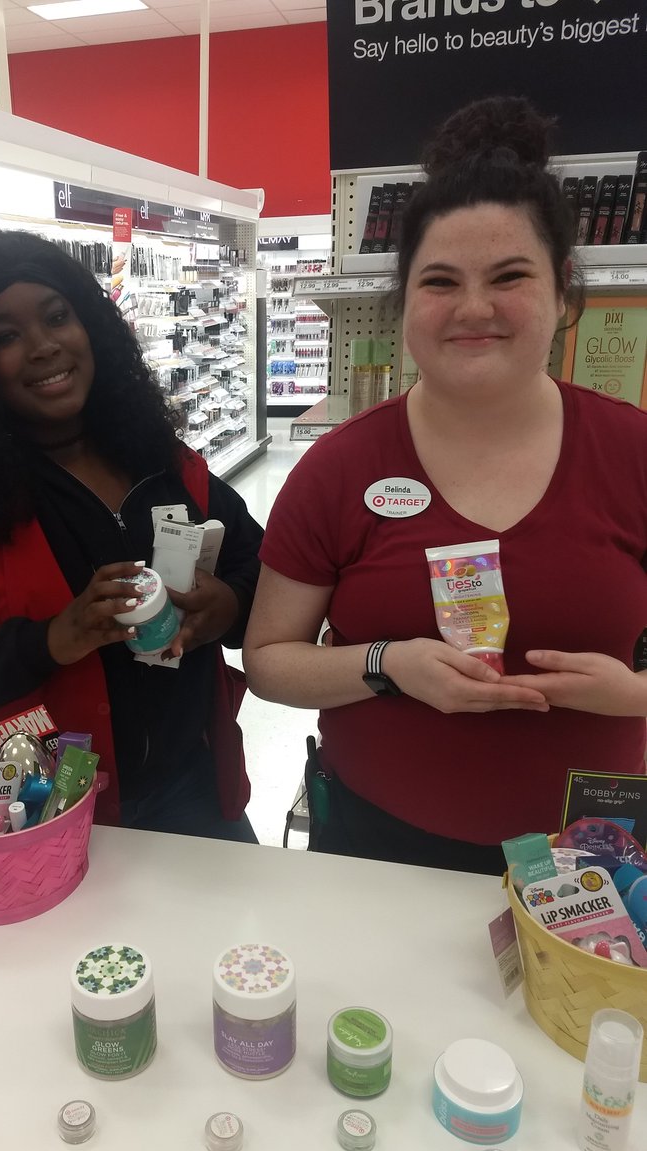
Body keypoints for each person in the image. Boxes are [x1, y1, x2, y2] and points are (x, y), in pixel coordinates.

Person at [244, 97, 647, 874]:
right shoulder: (339, 468)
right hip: (378, 846)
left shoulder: (632, 452)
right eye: (439, 281)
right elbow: (268, 660)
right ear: (405, 300)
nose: (473, 308)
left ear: (562, 289)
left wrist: (629, 695)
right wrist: (385, 665)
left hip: (592, 861)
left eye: (509, 276)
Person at [0, 229, 262, 842]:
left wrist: (229, 605)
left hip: (195, 787)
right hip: (43, 814)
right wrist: (54, 639)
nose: (44, 346)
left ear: (91, 326)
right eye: (5, 336)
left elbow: (261, 566)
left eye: (58, 316)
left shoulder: (164, 464)